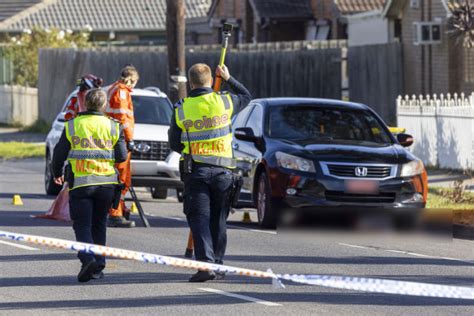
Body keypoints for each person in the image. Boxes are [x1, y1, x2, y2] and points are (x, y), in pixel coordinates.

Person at [168, 63, 251, 282]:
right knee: (219, 219)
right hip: (224, 172)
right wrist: (228, 78)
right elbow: (246, 95)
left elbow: (175, 143)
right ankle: (218, 264)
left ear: (191, 82)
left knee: (199, 219)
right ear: (209, 80)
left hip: (197, 172)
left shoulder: (181, 108)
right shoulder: (224, 101)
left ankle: (205, 265)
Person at [52, 88, 128, 282]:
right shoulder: (113, 126)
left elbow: (59, 153)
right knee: (99, 224)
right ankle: (99, 264)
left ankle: (88, 260)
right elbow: (121, 156)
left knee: (82, 225)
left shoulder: (73, 125)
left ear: (84, 104)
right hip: (106, 184)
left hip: (82, 184)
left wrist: (57, 173)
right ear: (104, 105)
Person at [105, 65, 140, 228]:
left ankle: (120, 207)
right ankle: (115, 212)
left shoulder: (114, 88)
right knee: (120, 177)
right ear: (132, 80)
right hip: (120, 140)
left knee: (121, 176)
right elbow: (122, 117)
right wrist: (129, 138)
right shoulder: (122, 92)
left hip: (114, 139)